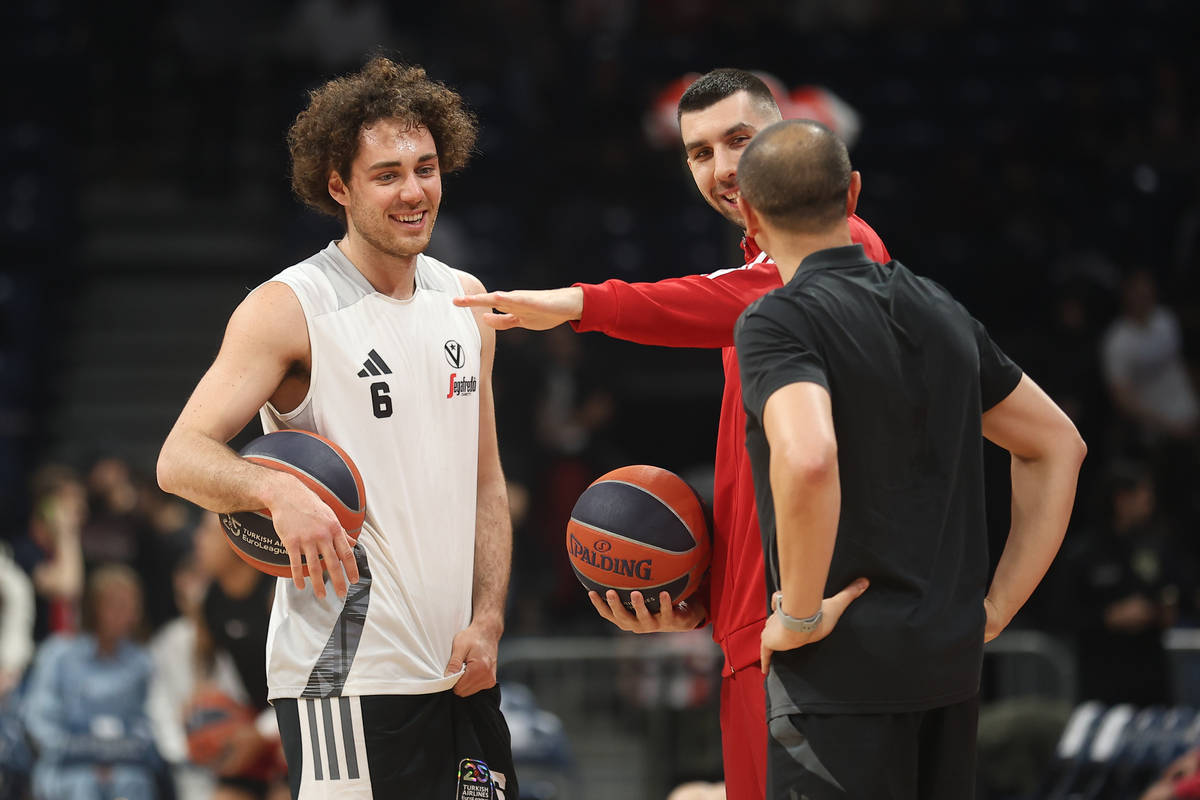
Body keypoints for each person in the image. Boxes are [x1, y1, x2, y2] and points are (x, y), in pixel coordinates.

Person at [455, 68, 890, 800]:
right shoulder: (761, 275)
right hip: (756, 633)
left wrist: (576, 304)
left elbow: (715, 306)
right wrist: (708, 597)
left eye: (740, 141)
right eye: (698, 152)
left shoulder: (843, 244)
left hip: (811, 640)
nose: (722, 169)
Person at [156, 57, 516, 800]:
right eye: (387, 174)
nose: (414, 192)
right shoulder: (289, 306)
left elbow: (486, 481)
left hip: (460, 670)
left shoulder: (467, 302)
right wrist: (271, 494)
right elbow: (179, 458)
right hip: (344, 675)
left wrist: (489, 621)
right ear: (338, 186)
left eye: (426, 168)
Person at [730, 119, 1086, 799]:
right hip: (947, 670)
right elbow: (1057, 444)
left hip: (839, 679)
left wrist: (800, 615)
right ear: (853, 194)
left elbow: (808, 458)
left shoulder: (779, 320)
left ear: (748, 213)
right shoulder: (942, 309)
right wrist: (995, 610)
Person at [22, 564, 159, 800]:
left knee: (133, 783)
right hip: (68, 765)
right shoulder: (58, 653)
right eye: (117, 606)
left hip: (125, 763)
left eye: (132, 607)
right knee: (82, 785)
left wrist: (115, 756)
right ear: (94, 607)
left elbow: (149, 722)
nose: (127, 615)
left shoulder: (142, 662)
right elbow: (39, 719)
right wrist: (85, 754)